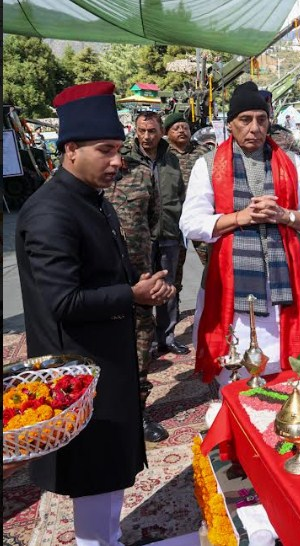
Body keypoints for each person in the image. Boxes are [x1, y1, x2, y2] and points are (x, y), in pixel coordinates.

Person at [16, 81, 174, 544]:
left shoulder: (88, 199)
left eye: (118, 151)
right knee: (94, 476)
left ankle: (109, 537)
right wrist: (133, 295)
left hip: (105, 358)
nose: (117, 161)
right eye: (105, 150)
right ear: (70, 150)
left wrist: (140, 290)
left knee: (109, 473)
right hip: (79, 366)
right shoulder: (52, 212)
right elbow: (62, 301)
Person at [180, 81, 300, 385]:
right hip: (230, 281)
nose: (254, 128)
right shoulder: (207, 166)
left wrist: (283, 215)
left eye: (261, 119)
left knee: (283, 371)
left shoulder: (293, 164)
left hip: (283, 282)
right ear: (231, 124)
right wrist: (240, 217)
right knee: (234, 372)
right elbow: (191, 222)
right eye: (245, 120)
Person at [109, 122, 167, 442]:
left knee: (142, 342)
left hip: (140, 275)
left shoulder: (143, 174)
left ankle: (139, 414)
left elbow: (154, 220)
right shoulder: (87, 183)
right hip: (103, 281)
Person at [124, 111, 189, 356]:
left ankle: (167, 337)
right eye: (142, 131)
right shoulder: (125, 159)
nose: (146, 136)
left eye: (152, 131)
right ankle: (147, 342)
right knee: (144, 288)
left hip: (170, 232)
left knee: (169, 287)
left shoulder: (171, 159)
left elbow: (180, 195)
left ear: (161, 131)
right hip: (140, 237)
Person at [164, 111, 215, 271]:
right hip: (173, 217)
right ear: (167, 133)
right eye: (176, 128)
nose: (181, 131)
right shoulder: (163, 154)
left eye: (184, 127)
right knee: (174, 266)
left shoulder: (203, 152)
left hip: (199, 213)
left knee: (211, 261)